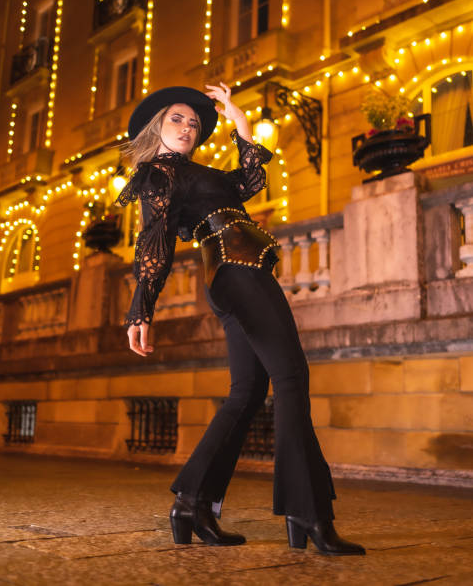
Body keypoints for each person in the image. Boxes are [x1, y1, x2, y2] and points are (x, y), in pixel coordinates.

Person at [115, 83, 365, 556]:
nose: (188, 127)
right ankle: (308, 513)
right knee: (290, 378)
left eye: (193, 122)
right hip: (238, 273)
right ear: (157, 127)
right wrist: (140, 310)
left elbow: (252, 177)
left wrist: (233, 112)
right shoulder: (158, 175)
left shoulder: (202, 175)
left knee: (247, 393)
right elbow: (154, 244)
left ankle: (194, 503)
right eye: (177, 120)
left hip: (235, 274)